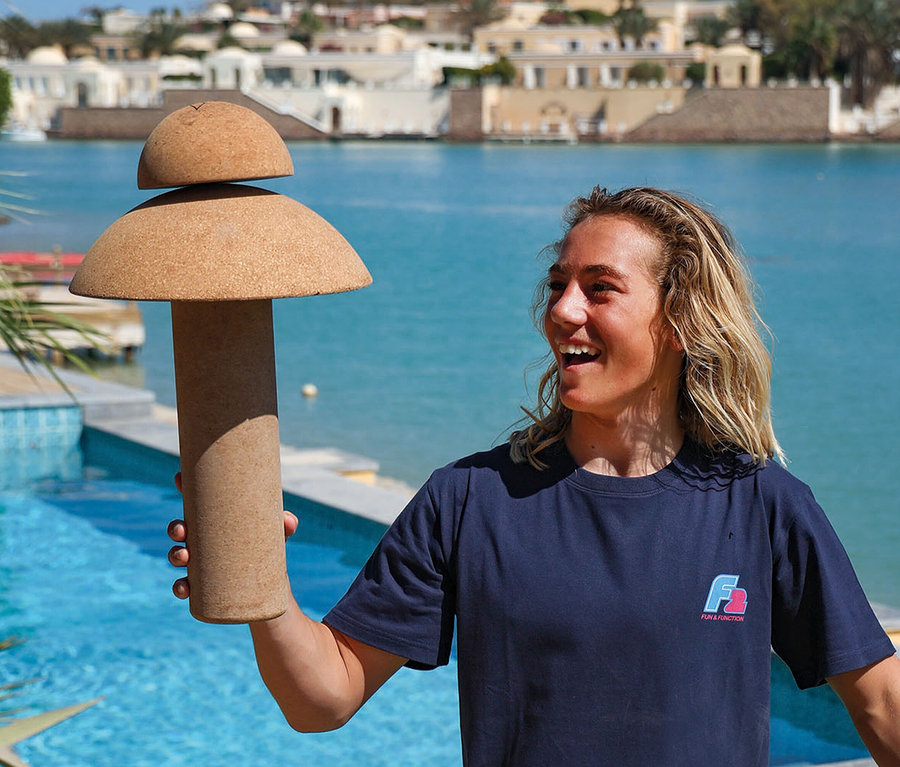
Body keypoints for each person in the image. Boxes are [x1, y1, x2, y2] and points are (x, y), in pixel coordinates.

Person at [168, 186, 900, 765]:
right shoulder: (468, 500)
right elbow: (323, 698)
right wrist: (260, 583)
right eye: (558, 284)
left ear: (681, 320)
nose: (562, 310)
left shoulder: (764, 506)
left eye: (600, 288)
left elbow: (880, 705)